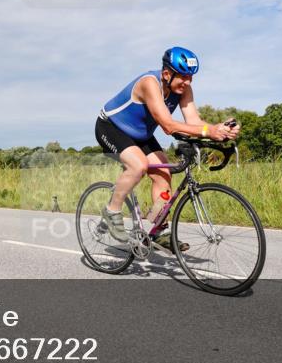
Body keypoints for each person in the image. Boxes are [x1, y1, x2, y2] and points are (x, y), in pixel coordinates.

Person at [95, 47, 240, 252]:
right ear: (166, 74)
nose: (188, 82)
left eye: (190, 77)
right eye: (183, 77)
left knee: (163, 175)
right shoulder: (149, 84)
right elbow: (168, 126)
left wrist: (221, 131)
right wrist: (210, 131)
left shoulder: (183, 89)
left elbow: (194, 122)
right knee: (138, 166)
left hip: (140, 134)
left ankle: (157, 230)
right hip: (110, 127)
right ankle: (112, 211)